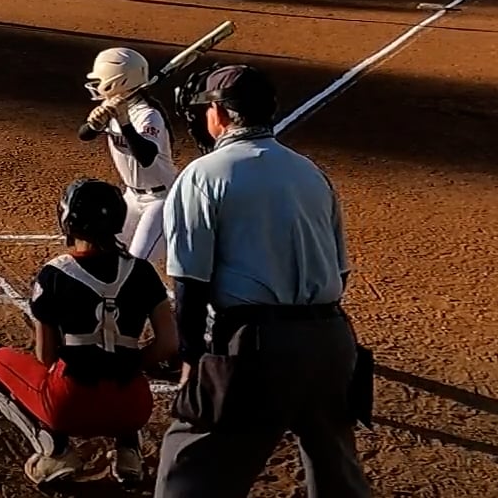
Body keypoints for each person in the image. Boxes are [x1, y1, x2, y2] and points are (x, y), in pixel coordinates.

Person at [155, 65, 368, 498]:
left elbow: (190, 281)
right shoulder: (311, 173)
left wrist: (192, 360)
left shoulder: (204, 174)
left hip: (257, 348)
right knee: (337, 477)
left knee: (189, 471)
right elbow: (340, 271)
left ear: (218, 113)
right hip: (332, 342)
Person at [0, 178, 178, 489]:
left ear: (68, 220)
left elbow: (46, 356)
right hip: (134, 405)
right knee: (121, 368)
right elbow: (168, 343)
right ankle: (129, 453)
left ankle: (56, 451)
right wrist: (130, 363)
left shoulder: (54, 274)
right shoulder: (143, 272)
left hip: (70, 405)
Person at [80, 48, 178, 266]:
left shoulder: (148, 115)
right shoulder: (111, 107)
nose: (96, 84)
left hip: (161, 200)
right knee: (105, 252)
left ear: (116, 81)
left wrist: (124, 121)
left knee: (136, 266)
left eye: (100, 79)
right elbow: (84, 135)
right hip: (132, 197)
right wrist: (94, 123)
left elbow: (146, 156)